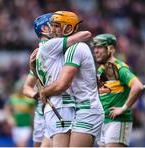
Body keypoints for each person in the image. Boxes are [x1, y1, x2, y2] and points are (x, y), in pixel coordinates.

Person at [39, 11, 104, 147]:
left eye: (57, 26)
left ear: (68, 28)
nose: (53, 29)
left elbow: (63, 84)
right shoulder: (69, 49)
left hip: (87, 109)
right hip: (81, 109)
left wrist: (44, 92)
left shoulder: (75, 49)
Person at [91, 33, 144, 147]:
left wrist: (123, 108)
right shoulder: (101, 69)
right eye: (95, 47)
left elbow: (138, 86)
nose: (95, 51)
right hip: (104, 121)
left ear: (111, 49)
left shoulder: (120, 68)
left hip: (118, 121)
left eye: (99, 47)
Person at [23, 13, 53, 147]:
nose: (58, 26)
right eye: (54, 24)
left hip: (57, 109)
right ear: (44, 29)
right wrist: (38, 95)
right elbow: (26, 88)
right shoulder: (42, 51)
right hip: (42, 111)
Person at [5, 76, 36, 147]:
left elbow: (34, 112)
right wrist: (9, 118)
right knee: (18, 145)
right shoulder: (13, 98)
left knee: (22, 144)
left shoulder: (29, 99)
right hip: (16, 126)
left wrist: (34, 125)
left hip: (26, 126)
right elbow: (6, 109)